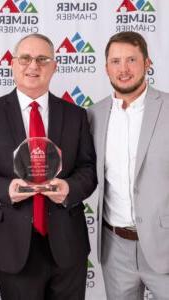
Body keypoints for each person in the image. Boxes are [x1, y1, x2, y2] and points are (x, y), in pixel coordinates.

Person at [0, 33, 97, 300]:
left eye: (42, 59)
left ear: (54, 66)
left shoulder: (76, 115)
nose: (33, 66)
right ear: (12, 64)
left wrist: (69, 187)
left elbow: (88, 170)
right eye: (25, 58)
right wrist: (6, 188)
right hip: (11, 243)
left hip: (67, 242)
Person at [87, 31, 169, 300]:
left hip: (164, 244)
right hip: (115, 248)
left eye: (131, 60)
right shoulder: (93, 116)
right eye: (116, 61)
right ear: (106, 67)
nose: (123, 69)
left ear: (147, 63)